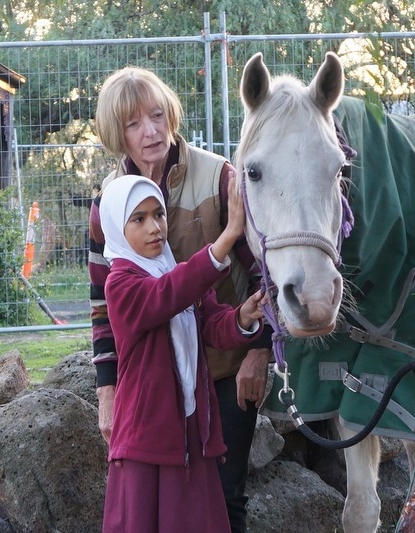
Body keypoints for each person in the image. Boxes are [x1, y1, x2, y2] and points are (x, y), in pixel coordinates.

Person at [89, 66, 271, 532]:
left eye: (156, 115)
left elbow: (262, 273)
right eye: (133, 123)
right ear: (117, 135)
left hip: (227, 370)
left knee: (222, 498)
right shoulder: (109, 205)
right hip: (156, 388)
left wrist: (259, 346)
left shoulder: (219, 177)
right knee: (158, 509)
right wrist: (107, 389)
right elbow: (106, 306)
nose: (150, 131)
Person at [99, 174, 264, 532]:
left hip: (190, 428)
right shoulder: (121, 282)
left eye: (158, 214)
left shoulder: (173, 269)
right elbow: (167, 295)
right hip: (147, 438)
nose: (154, 227)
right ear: (116, 226)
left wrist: (243, 317)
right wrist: (226, 239)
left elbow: (212, 324)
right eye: (138, 219)